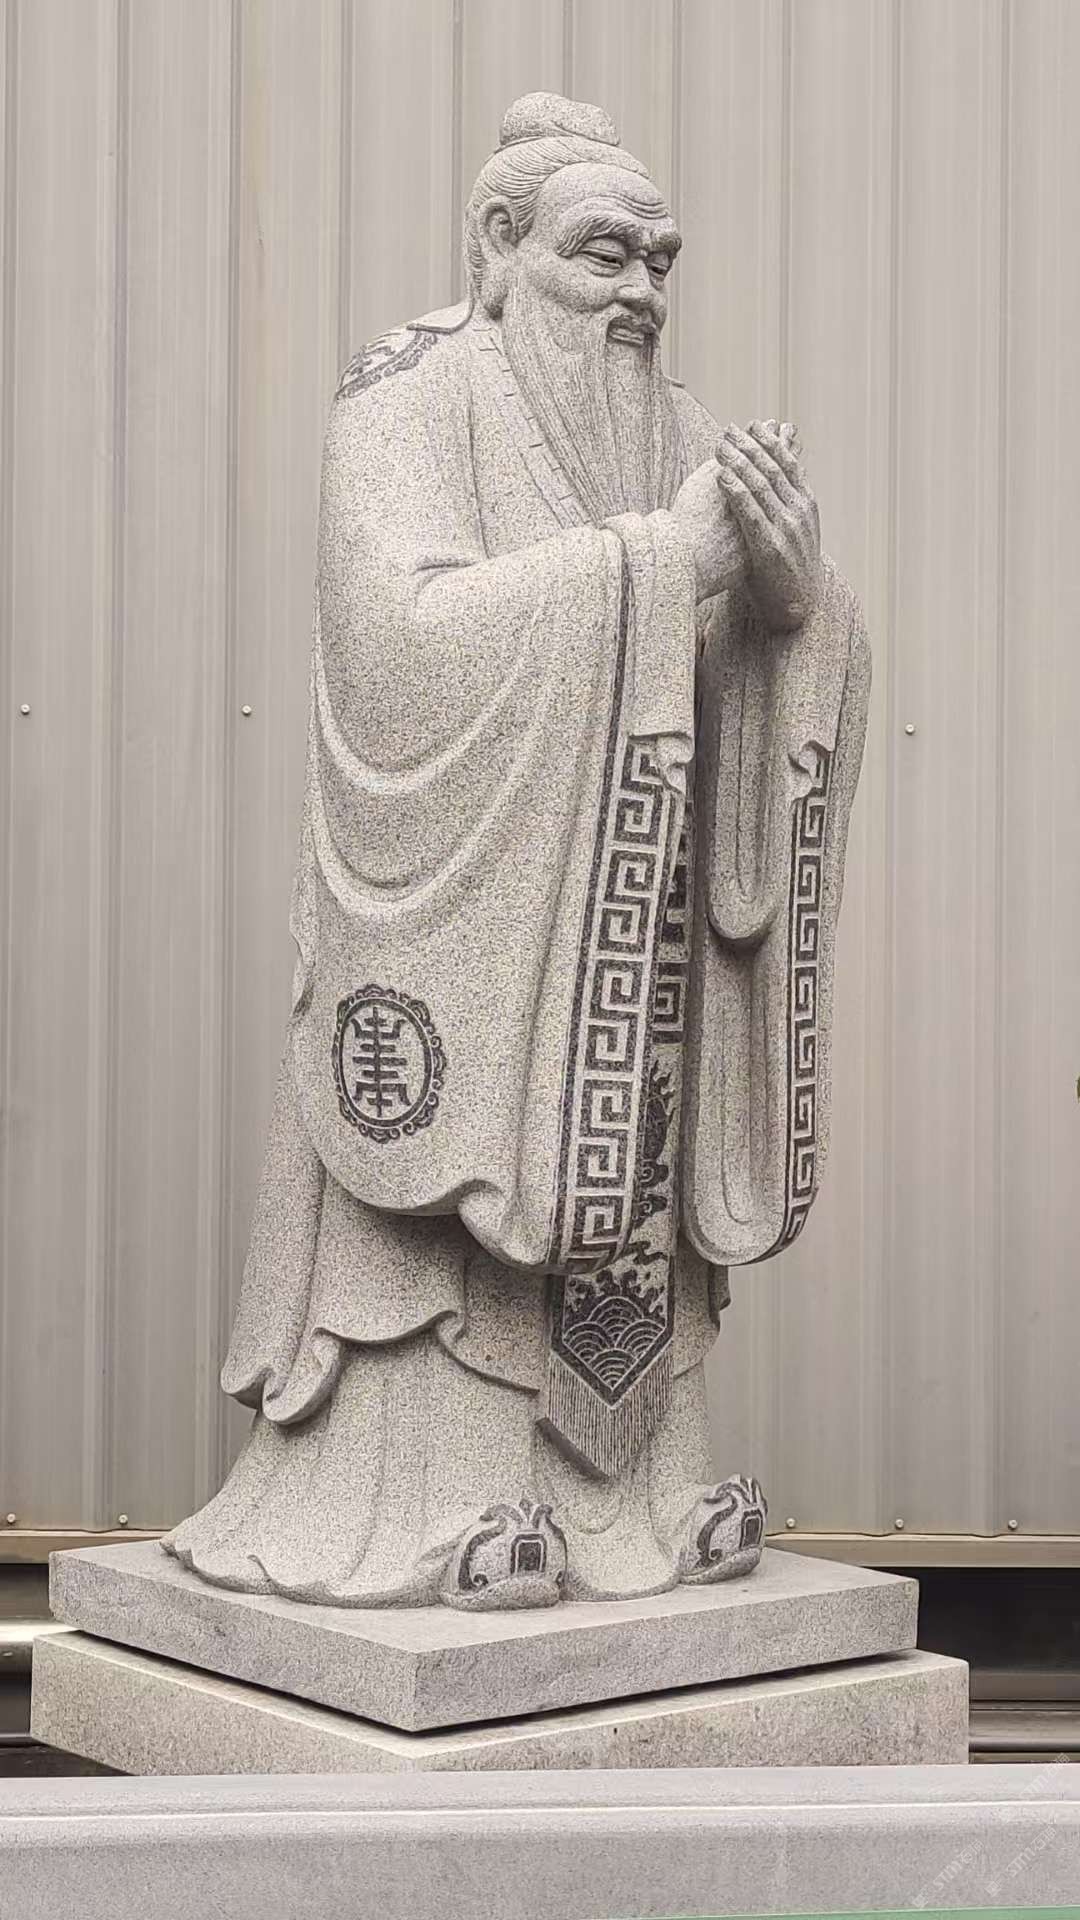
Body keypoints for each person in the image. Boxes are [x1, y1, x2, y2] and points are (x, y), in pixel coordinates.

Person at [165, 92, 869, 1610]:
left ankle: (638, 1500)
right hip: (473, 941)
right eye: (604, 254)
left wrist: (789, 609)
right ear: (500, 243)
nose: (640, 293)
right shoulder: (406, 400)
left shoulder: (681, 436)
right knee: (434, 1267)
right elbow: (399, 646)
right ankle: (429, 1507)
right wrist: (664, 562)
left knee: (629, 1185)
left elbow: (770, 644)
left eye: (660, 263)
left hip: (632, 950)